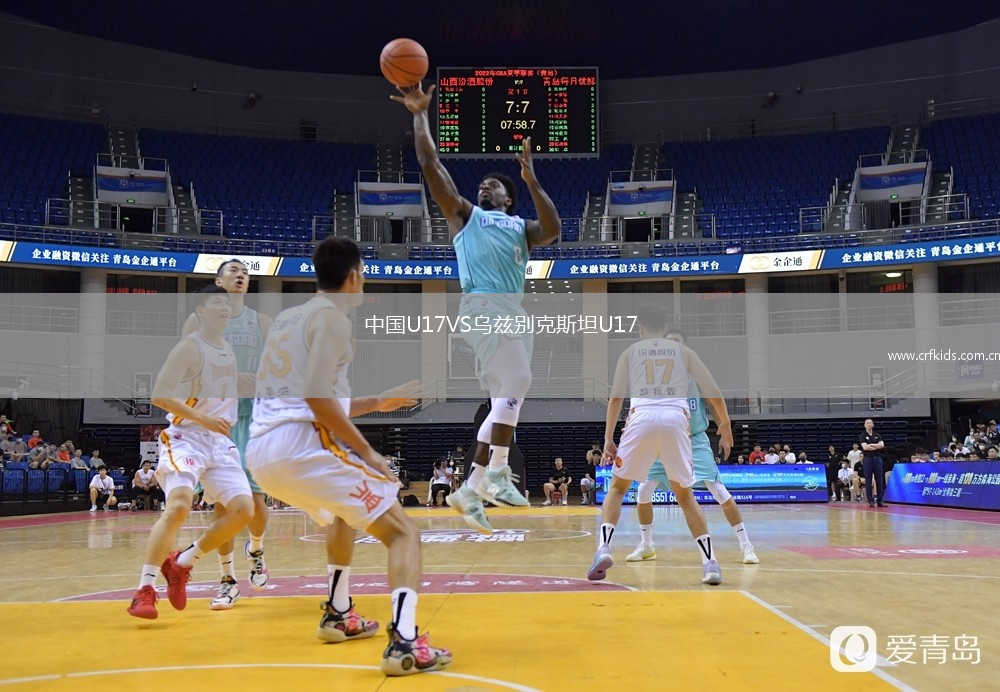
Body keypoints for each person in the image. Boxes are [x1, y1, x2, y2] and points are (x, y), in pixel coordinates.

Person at [246, 237, 450, 676]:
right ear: (354, 276)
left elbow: (308, 398)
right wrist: (367, 451)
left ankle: (339, 613)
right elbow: (316, 397)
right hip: (301, 445)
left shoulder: (288, 319)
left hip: (262, 451)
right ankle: (405, 643)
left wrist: (377, 401)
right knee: (404, 533)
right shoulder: (333, 319)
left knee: (342, 513)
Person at [393, 82, 560, 534]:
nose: (485, 186)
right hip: (482, 303)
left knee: (505, 401)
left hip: (514, 313)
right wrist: (420, 115)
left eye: (494, 185)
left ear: (508, 198)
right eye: (482, 185)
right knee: (519, 380)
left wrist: (532, 179)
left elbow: (553, 230)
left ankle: (470, 488)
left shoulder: (521, 227)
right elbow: (432, 166)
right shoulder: (467, 215)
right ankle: (498, 473)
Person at [126, 286, 255, 620]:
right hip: (187, 436)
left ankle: (182, 562)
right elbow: (160, 395)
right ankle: (145, 589)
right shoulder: (189, 347)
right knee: (180, 505)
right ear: (200, 311)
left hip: (220, 442)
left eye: (227, 303)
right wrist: (203, 417)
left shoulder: (227, 350)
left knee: (244, 510)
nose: (225, 307)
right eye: (217, 302)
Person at [589, 305, 731, 585]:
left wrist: (608, 438)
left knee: (618, 488)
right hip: (675, 419)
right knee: (685, 496)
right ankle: (710, 563)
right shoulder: (684, 352)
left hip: (641, 417)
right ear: (665, 329)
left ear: (640, 330)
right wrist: (724, 424)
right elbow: (712, 390)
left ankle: (604, 547)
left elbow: (616, 398)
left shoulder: (629, 353)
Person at [183, 258, 273, 610]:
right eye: (233, 270)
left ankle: (257, 550)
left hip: (252, 418)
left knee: (256, 504)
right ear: (218, 281)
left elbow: (278, 370)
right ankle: (227, 580)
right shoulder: (197, 321)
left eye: (245, 272)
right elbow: (185, 367)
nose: (240, 275)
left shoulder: (261, 322)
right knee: (223, 504)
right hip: (216, 419)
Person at [625, 328, 758, 567]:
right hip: (664, 441)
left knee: (719, 491)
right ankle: (647, 545)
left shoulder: (695, 373)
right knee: (643, 491)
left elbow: (714, 399)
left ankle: (746, 545)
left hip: (694, 441)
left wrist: (724, 426)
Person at [859, 418, 886, 507]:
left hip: (877, 459)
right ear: (864, 425)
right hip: (868, 459)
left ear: (873, 424)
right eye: (867, 423)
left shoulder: (877, 435)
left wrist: (871, 445)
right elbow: (865, 448)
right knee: (868, 479)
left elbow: (882, 445)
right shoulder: (862, 435)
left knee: (879, 480)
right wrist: (876, 446)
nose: (869, 424)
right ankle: (870, 500)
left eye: (870, 423)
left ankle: (880, 500)